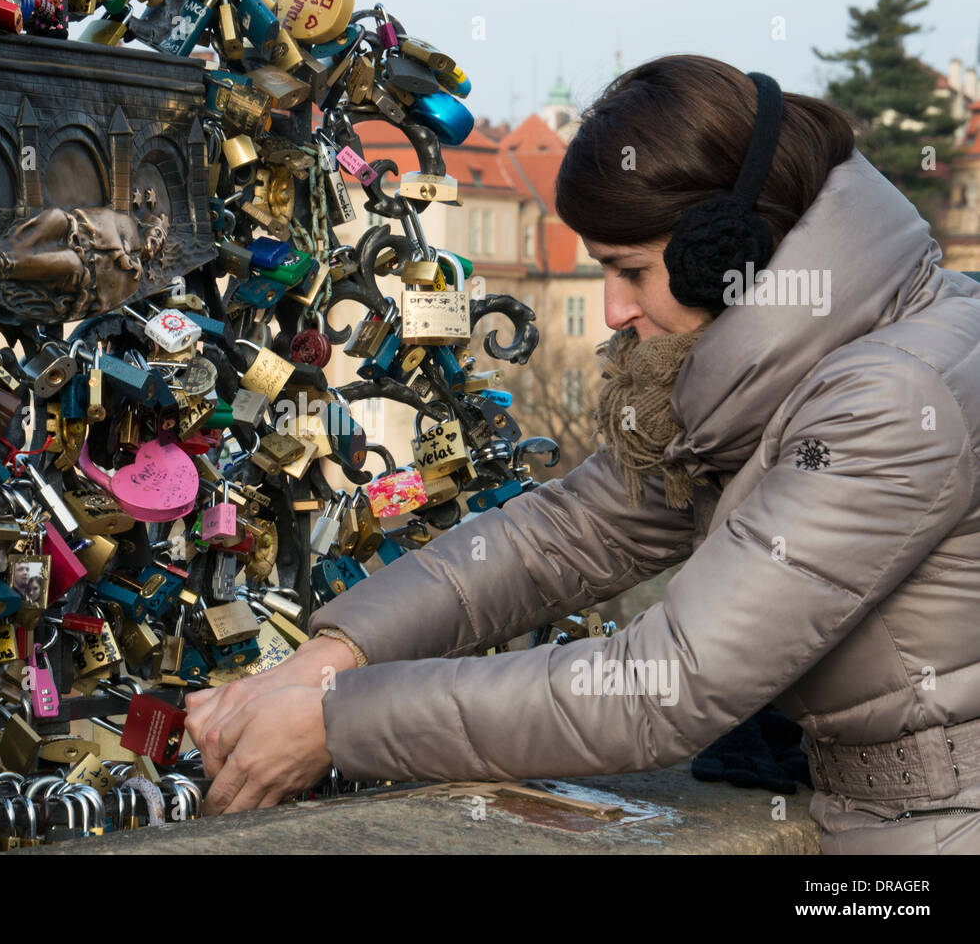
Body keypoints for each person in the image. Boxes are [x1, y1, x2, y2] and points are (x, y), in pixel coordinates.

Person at [184, 55, 980, 854]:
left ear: (727, 252)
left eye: (630, 270)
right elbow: (565, 533)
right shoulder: (782, 363)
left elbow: (662, 688)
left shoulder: (888, 398)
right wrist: (335, 653)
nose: (613, 308)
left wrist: (333, 723)